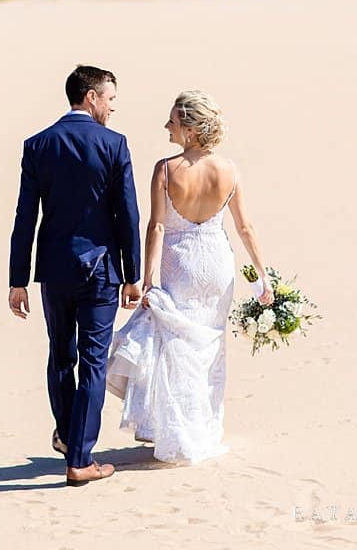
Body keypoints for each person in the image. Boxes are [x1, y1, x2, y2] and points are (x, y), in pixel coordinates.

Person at [106, 90, 275, 464]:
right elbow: (244, 226)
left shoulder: (166, 169)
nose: (167, 126)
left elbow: (157, 227)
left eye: (173, 121)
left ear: (190, 128)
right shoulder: (229, 169)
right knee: (210, 350)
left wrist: (145, 278)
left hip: (179, 263)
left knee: (177, 348)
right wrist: (263, 275)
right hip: (217, 264)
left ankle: (179, 434)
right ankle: (205, 430)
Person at [9, 65, 143, 487]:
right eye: (109, 99)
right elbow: (128, 215)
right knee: (92, 362)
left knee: (60, 356)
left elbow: (24, 217)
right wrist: (132, 273)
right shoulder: (114, 145)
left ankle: (69, 435)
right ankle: (81, 459)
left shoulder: (38, 145)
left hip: (53, 269)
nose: (112, 107)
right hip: (101, 270)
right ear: (90, 98)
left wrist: (17, 279)